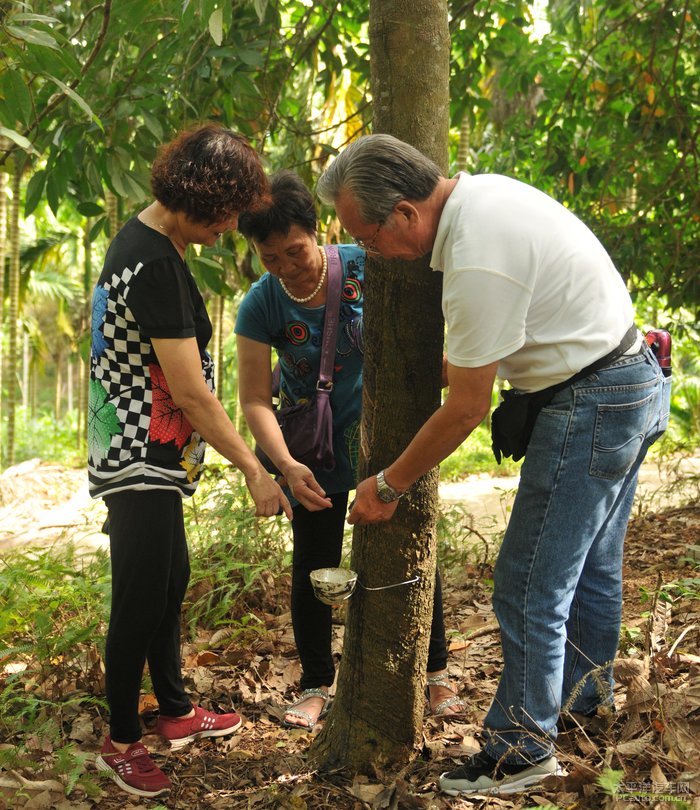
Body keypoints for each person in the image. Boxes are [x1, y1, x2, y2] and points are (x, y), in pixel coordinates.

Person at [316, 134, 671, 795]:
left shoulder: (476, 255)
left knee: (528, 580)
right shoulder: (483, 202)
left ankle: (520, 748)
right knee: (589, 568)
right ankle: (583, 705)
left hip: (594, 400)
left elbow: (466, 407)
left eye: (367, 235)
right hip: (628, 380)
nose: (369, 251)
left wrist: (389, 484)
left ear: (404, 213)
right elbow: (487, 354)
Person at [88, 124, 292, 799]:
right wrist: (256, 470)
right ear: (202, 199)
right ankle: (120, 740)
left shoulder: (152, 243)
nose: (234, 226)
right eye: (230, 212)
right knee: (140, 595)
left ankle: (174, 710)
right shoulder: (151, 262)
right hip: (137, 452)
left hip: (153, 454)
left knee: (169, 580)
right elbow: (192, 394)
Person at [234, 170, 465, 730]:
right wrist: (285, 467)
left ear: (319, 231)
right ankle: (316, 682)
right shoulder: (261, 304)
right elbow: (254, 399)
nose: (287, 267)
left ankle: (433, 673)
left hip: (388, 446)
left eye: (296, 251)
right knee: (314, 565)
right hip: (312, 458)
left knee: (407, 550)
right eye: (271, 259)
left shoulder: (368, 265)